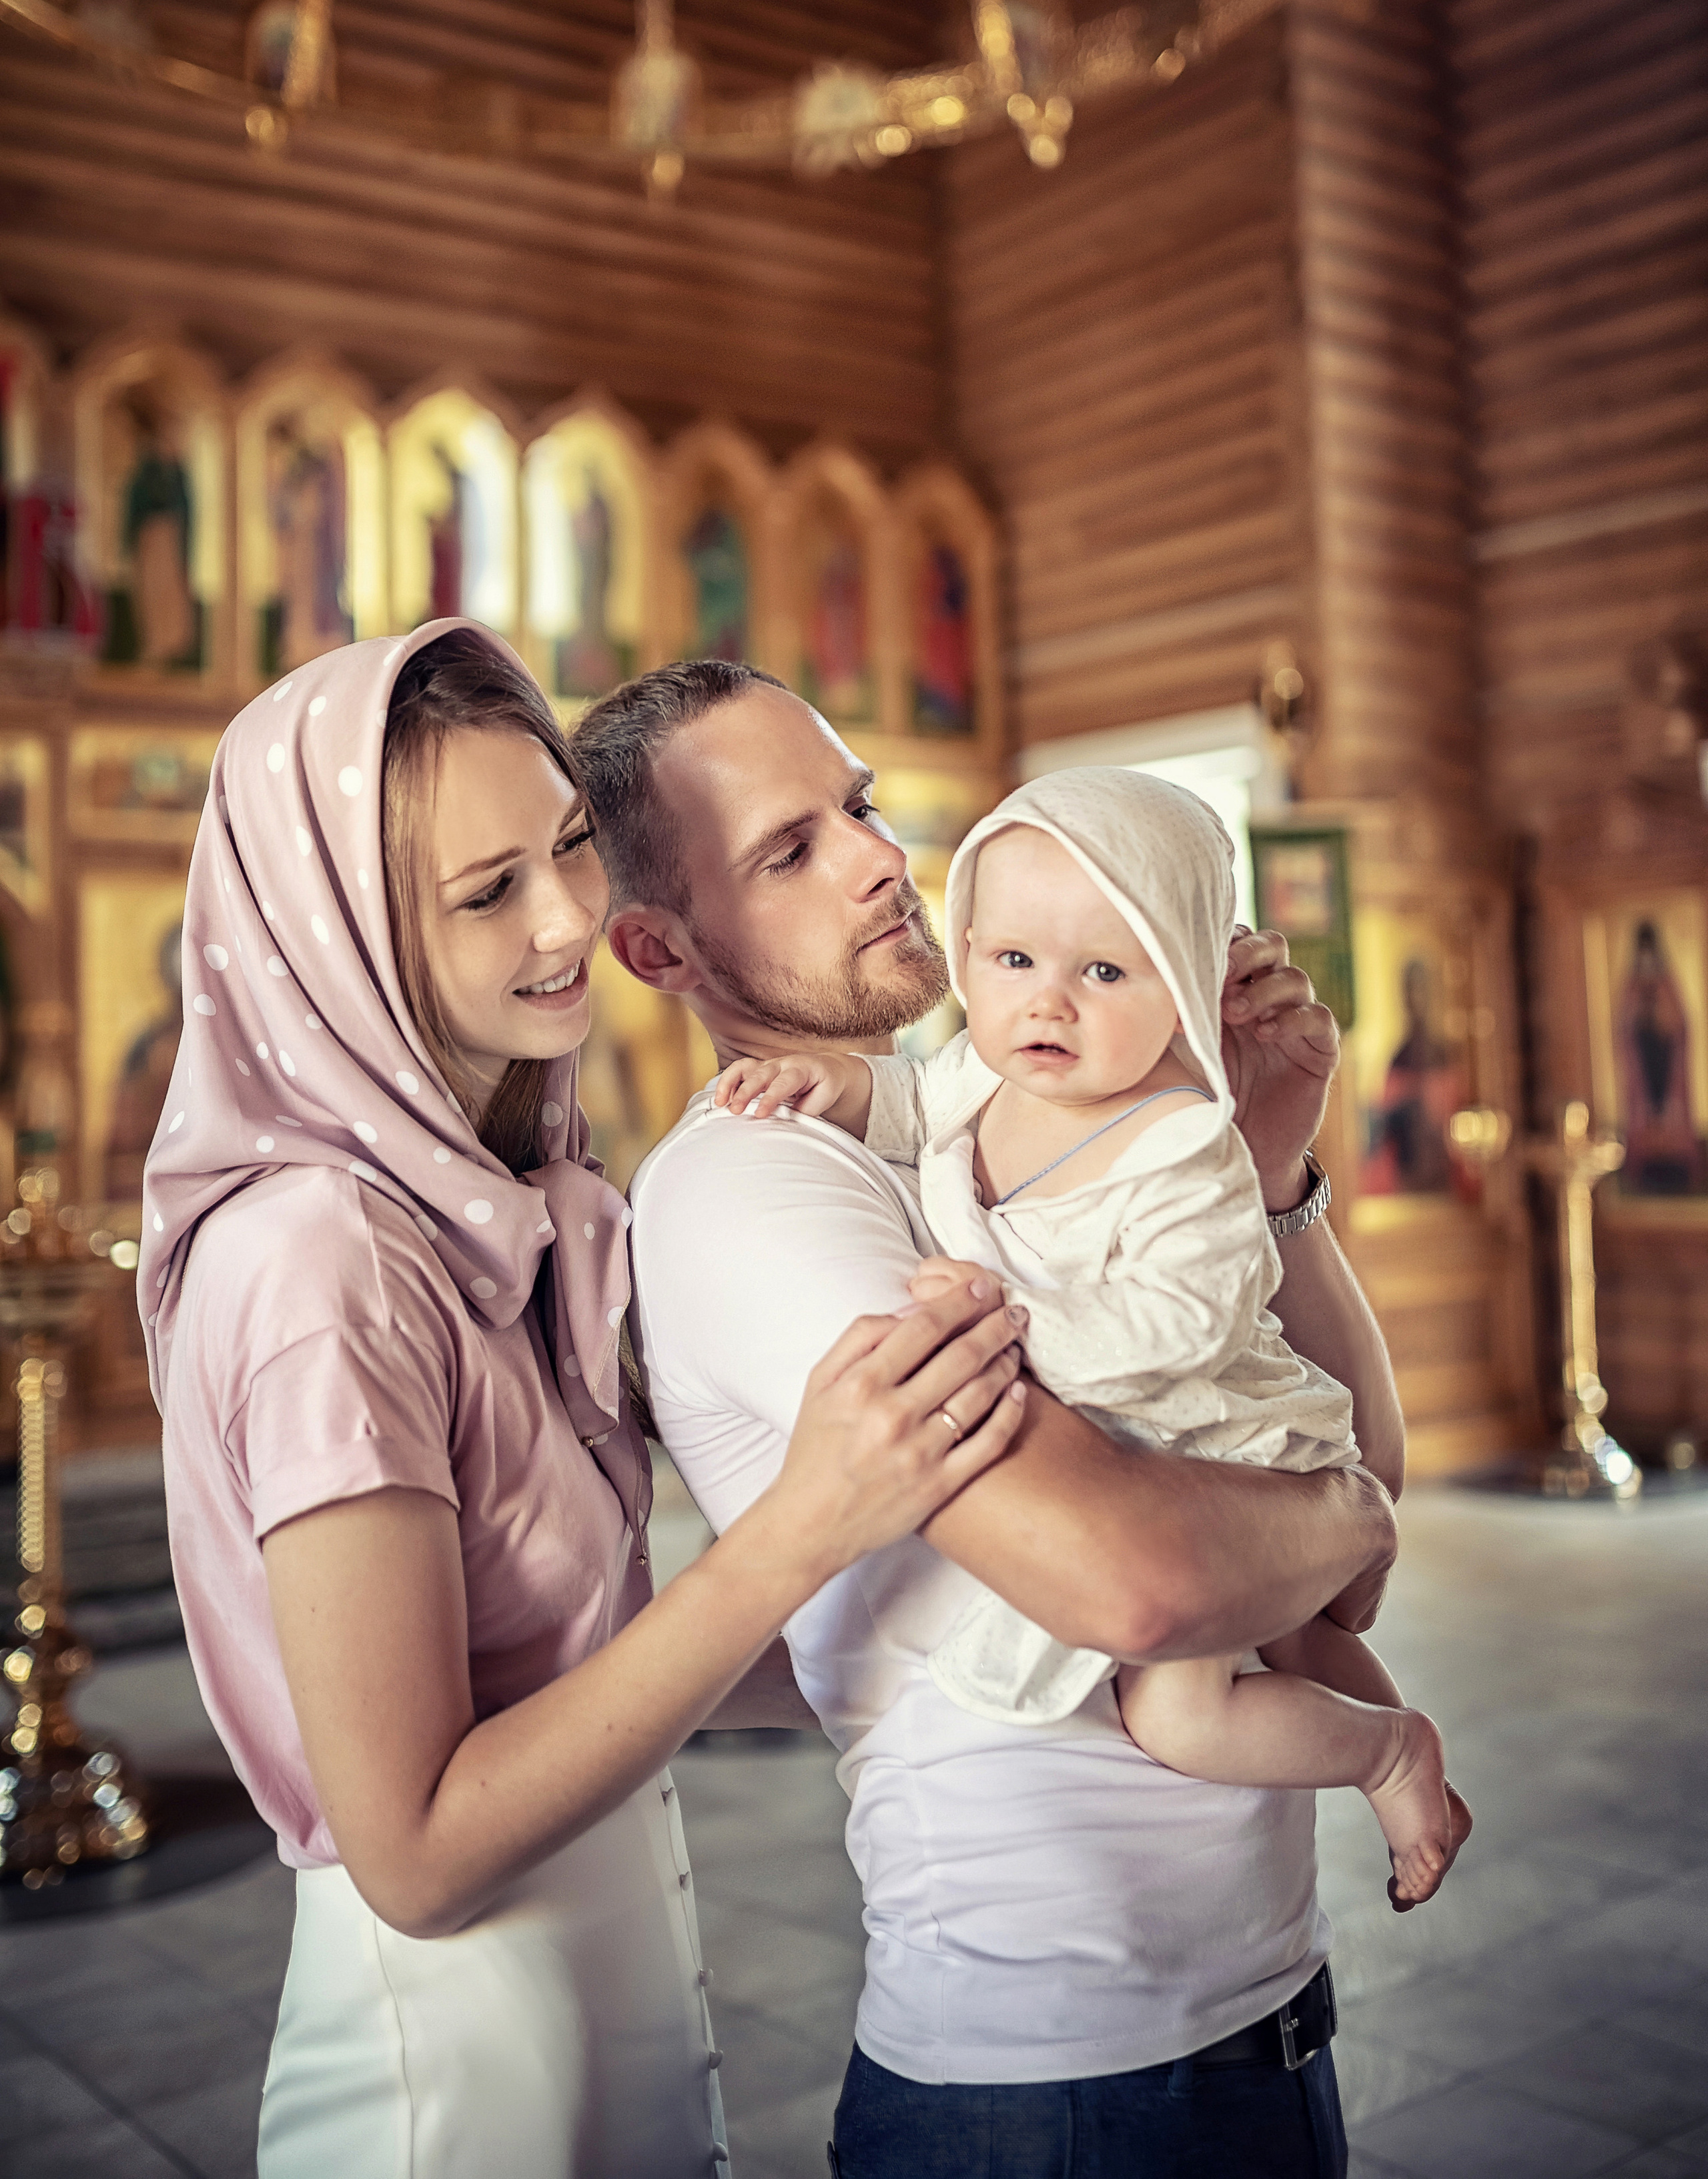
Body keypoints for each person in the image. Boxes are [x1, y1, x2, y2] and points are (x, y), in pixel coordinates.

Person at [139, 620, 1029, 2179]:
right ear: (339, 935)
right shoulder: (320, 1264)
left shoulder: (489, 1202)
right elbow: (415, 1852)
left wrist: (988, 1673)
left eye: (566, 846)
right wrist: (802, 1528)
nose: (568, 918)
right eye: (485, 893)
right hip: (452, 2091)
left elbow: (572, 1664)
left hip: (606, 2022)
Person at [572, 661, 1404, 2179]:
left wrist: (1270, 1173)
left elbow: (1330, 1465)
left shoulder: (998, 1111)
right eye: (790, 850)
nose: (877, 858)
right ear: (657, 946)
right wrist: (1343, 1516)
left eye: (858, 805)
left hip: (1248, 2022)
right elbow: (1139, 1580)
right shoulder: (753, 1182)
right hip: (1056, 2086)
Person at [715, 767, 1465, 1912]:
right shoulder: (980, 1075)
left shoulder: (1182, 1148)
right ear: (970, 949)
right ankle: (1397, 1748)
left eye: (1104, 972)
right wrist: (828, 1083)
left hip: (1210, 1439)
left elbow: (1184, 1326)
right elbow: (909, 1106)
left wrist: (1011, 1318)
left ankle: (1389, 1752)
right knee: (1302, 1638)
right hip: (1136, 1451)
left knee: (1184, 1710)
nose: (1047, 1005)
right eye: (1013, 959)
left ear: (1187, 986)